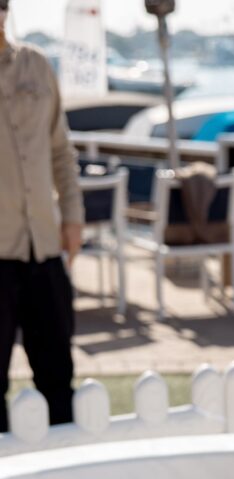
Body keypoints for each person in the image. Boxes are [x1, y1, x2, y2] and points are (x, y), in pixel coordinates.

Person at [0, 0, 84, 434]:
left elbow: (59, 150)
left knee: (57, 379)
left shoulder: (36, 65)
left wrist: (72, 214)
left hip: (44, 249)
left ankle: (67, 478)